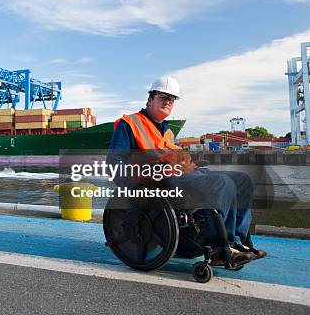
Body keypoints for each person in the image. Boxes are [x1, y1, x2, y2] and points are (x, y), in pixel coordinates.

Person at [109, 76, 266, 263]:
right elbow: (114, 162)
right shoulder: (130, 124)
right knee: (221, 183)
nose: (168, 101)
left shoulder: (167, 132)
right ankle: (221, 247)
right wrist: (133, 191)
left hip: (185, 175)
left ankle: (239, 242)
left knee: (242, 180)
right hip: (159, 182)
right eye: (162, 96)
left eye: (172, 98)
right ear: (150, 99)